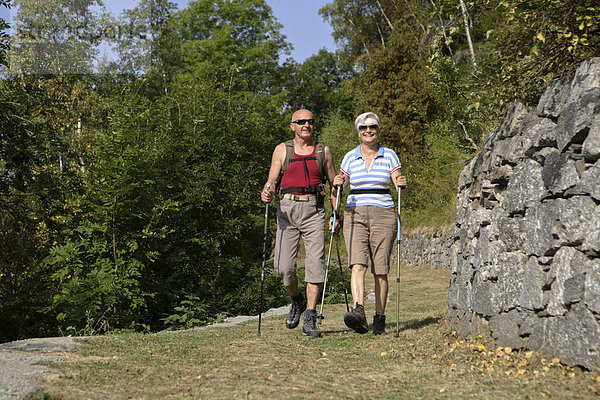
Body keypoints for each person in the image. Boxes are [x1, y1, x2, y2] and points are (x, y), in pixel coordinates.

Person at [261, 109, 339, 338]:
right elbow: (271, 181)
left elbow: (334, 184)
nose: (307, 125)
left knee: (316, 263)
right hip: (286, 210)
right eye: (301, 122)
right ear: (292, 126)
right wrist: (267, 192)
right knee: (283, 268)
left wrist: (336, 212)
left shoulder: (323, 151)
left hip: (314, 210)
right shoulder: (282, 150)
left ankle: (310, 317)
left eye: (310, 121)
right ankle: (297, 300)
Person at [332, 112, 407, 335]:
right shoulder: (349, 157)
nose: (368, 131)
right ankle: (358, 311)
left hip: (383, 213)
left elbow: (397, 180)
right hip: (354, 213)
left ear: (377, 129)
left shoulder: (390, 155)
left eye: (372, 127)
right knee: (357, 263)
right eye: (363, 128)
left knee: (380, 269)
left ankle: (380, 317)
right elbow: (340, 184)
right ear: (358, 132)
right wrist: (337, 182)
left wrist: (401, 182)